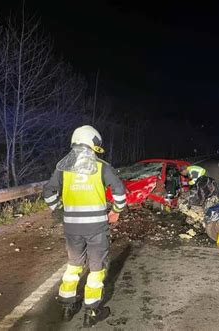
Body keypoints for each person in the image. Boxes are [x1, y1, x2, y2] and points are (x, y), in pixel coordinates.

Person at [43, 125, 126, 327]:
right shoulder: (101, 166)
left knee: (73, 266)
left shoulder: (62, 167)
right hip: (96, 227)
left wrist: (60, 211)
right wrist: (116, 211)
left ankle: (67, 306)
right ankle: (92, 310)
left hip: (72, 228)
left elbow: (48, 193)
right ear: (91, 142)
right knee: (97, 269)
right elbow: (120, 193)